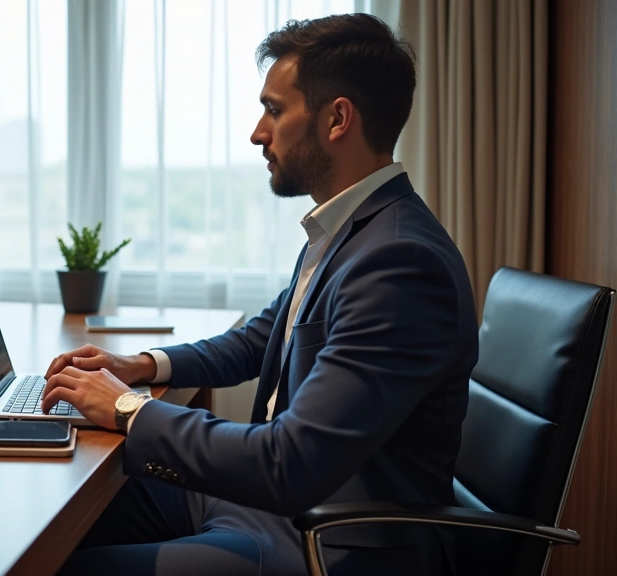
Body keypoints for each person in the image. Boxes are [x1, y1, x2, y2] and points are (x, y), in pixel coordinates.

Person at [41, 13, 477, 576]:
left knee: (56, 565)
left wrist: (127, 407)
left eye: (275, 109)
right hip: (270, 507)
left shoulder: (399, 262)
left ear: (337, 118)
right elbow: (260, 339)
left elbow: (288, 461)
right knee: (57, 524)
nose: (257, 132)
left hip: (324, 541)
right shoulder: (351, 230)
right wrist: (140, 365)